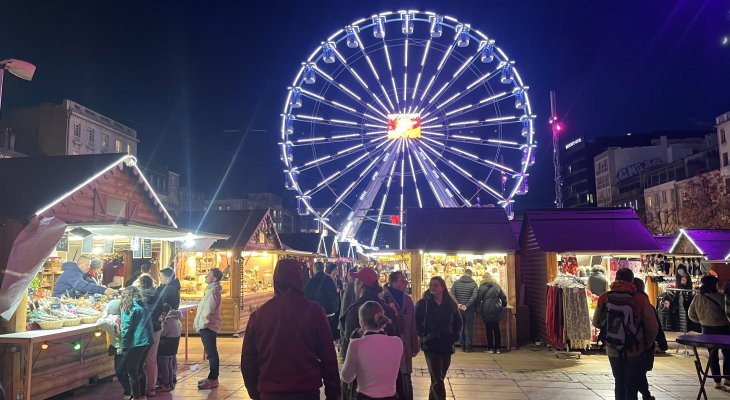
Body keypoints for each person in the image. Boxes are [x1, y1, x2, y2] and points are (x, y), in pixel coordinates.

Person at [241, 259, 340, 400]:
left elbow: (248, 361)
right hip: (306, 393)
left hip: (271, 393)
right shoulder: (314, 312)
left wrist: (256, 393)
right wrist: (333, 393)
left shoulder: (259, 315)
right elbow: (328, 357)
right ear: (301, 279)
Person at [593, 268, 658, 400]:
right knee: (631, 385)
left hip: (613, 348)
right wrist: (645, 344)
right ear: (632, 281)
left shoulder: (605, 297)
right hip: (634, 349)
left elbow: (596, 322)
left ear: (616, 279)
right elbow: (652, 327)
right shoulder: (640, 299)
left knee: (619, 382)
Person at [341, 301, 403, 400]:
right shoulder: (397, 342)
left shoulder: (356, 345)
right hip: (391, 397)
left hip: (365, 397)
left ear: (362, 322)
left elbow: (347, 377)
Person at [415, 277, 462, 400]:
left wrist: (454, 336)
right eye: (431, 285)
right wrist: (424, 334)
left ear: (442, 287)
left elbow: (458, 321)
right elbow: (416, 322)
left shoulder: (450, 304)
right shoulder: (423, 303)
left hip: (447, 344)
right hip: (431, 344)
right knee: (437, 378)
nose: (432, 287)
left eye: (436, 285)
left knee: (439, 377)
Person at [341, 267, 399, 359]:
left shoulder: (353, 310)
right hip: (386, 365)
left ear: (360, 284)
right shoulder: (387, 309)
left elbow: (348, 345)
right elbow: (396, 337)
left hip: (363, 368)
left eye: (355, 282)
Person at [688, 275, 730, 391]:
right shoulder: (721, 297)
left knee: (712, 355)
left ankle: (717, 381)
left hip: (706, 329)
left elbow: (691, 314)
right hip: (723, 328)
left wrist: (701, 320)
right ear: (714, 285)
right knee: (727, 353)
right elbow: (727, 312)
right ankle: (727, 377)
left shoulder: (697, 298)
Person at [382, 271, 419, 400]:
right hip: (389, 347)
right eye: (402, 280)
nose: (405, 282)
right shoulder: (383, 298)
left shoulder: (407, 299)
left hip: (405, 344)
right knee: (392, 379)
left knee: (406, 378)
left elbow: (412, 324)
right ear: (393, 283)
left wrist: (415, 345)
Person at [632, 278, 668, 400]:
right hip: (644, 344)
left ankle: (643, 395)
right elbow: (655, 326)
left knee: (636, 373)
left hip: (629, 344)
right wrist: (661, 344)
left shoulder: (627, 302)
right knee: (640, 373)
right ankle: (645, 395)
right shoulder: (646, 303)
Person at [121, 286, 154, 400]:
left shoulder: (129, 307)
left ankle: (137, 397)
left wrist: (124, 346)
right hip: (148, 340)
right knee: (140, 368)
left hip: (137, 342)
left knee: (132, 371)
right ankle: (143, 395)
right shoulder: (142, 305)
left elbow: (126, 328)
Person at [194, 268, 223, 390]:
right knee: (210, 352)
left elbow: (208, 310)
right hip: (207, 326)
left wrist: (203, 325)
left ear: (214, 278)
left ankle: (213, 378)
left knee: (211, 353)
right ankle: (212, 377)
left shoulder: (213, 292)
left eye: (208, 275)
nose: (206, 276)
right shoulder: (211, 291)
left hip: (208, 327)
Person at [98, 299, 131, 398]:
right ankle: (134, 391)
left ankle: (128, 392)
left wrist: (105, 313)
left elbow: (100, 322)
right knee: (130, 371)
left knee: (120, 372)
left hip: (119, 349)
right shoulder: (126, 317)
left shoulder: (110, 321)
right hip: (130, 347)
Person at [135, 275, 162, 397]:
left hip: (141, 330)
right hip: (156, 328)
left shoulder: (137, 298)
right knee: (151, 359)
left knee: (139, 361)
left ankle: (138, 389)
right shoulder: (157, 296)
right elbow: (160, 311)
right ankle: (151, 388)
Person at [155, 267, 181, 385]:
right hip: (172, 329)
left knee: (165, 358)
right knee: (171, 356)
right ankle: (171, 378)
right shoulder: (173, 288)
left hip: (166, 326)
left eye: (161, 277)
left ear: (167, 277)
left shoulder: (168, 290)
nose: (160, 279)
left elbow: (161, 304)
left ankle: (164, 379)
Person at [53, 256, 117, 298]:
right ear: (80, 263)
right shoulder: (72, 272)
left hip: (64, 299)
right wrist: (104, 290)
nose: (89, 267)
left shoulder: (76, 272)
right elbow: (84, 286)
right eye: (87, 265)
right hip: (59, 301)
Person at [477, 272, 507, 354]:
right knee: (496, 329)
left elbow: (478, 300)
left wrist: (478, 311)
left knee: (488, 329)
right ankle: (498, 348)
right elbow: (504, 297)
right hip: (496, 308)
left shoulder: (481, 287)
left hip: (486, 309)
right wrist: (504, 305)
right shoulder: (497, 286)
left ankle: (490, 348)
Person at [450, 269, 478, 352]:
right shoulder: (474, 284)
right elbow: (475, 296)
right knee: (468, 328)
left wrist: (458, 304)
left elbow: (452, 294)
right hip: (469, 309)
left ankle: (462, 346)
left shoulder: (456, 283)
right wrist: (467, 305)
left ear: (463, 274)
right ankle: (468, 347)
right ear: (471, 275)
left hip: (458, 309)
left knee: (461, 327)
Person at [157, 304, 182, 392]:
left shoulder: (168, 321)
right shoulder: (177, 319)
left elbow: (162, 333)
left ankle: (166, 384)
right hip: (173, 346)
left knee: (164, 365)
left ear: (164, 313)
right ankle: (170, 382)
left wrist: (161, 324)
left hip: (166, 345)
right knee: (169, 364)